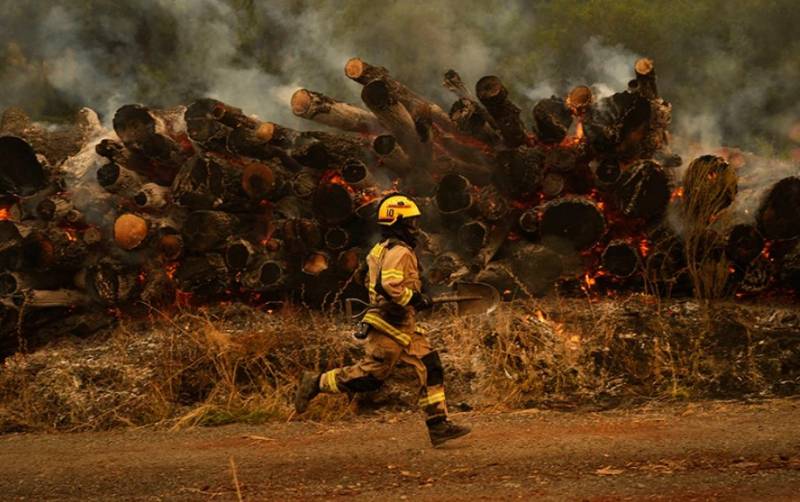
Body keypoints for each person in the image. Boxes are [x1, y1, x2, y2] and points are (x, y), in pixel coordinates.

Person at [294, 193, 471, 446]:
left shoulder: (379, 250)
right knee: (369, 377)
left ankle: (438, 425)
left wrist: (412, 300)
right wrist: (415, 298)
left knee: (431, 365)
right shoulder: (400, 252)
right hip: (389, 325)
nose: (414, 227)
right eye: (410, 222)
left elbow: (365, 278)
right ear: (398, 223)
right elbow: (389, 286)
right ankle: (316, 382)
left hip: (403, 324)